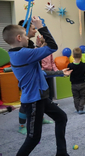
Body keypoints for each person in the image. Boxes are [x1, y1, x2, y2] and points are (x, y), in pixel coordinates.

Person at [3, 16, 70, 156]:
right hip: (34, 100)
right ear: (19, 38)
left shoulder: (20, 54)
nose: (28, 38)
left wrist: (59, 73)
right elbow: (53, 47)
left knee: (61, 117)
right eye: (25, 36)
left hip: (40, 97)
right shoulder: (23, 54)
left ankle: (61, 153)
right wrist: (41, 27)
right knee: (33, 137)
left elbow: (39, 72)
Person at [17, 20, 52, 135]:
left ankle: (40, 118)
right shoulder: (21, 47)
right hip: (28, 80)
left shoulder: (30, 44)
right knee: (26, 103)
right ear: (25, 30)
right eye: (33, 28)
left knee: (40, 99)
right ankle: (22, 125)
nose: (35, 30)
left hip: (37, 75)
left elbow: (34, 57)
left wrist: (39, 46)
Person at [36, 36, 59, 105]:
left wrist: (56, 71)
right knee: (44, 89)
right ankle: (46, 103)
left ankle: (51, 102)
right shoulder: (38, 52)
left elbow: (52, 62)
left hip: (50, 73)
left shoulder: (49, 52)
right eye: (44, 44)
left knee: (50, 88)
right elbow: (39, 64)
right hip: (43, 73)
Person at [67, 48, 85, 114]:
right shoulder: (83, 65)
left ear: (73, 56)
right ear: (81, 56)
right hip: (82, 83)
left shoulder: (70, 65)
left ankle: (77, 109)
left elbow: (68, 73)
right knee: (82, 96)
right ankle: (81, 108)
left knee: (76, 97)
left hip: (74, 84)